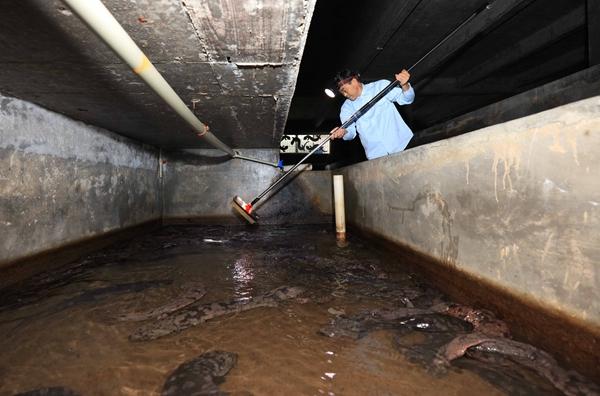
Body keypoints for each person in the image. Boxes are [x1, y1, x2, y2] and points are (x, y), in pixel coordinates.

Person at [329, 69, 414, 160]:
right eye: (342, 93)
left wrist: (405, 85)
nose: (345, 94)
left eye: (344, 90)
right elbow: (350, 133)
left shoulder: (380, 86)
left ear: (354, 81)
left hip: (403, 145)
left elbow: (406, 99)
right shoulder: (346, 108)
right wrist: (344, 132)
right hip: (376, 156)